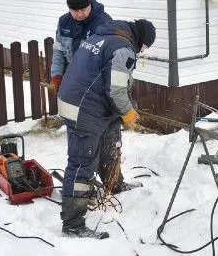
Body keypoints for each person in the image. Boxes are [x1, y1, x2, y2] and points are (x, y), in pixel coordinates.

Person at [57, 19, 156, 238]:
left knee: (111, 140)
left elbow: (110, 82)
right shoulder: (123, 48)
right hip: (83, 109)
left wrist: (123, 111)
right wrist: (129, 114)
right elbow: (116, 91)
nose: (143, 51)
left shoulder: (102, 37)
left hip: (81, 100)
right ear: (141, 41)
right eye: (145, 47)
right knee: (82, 163)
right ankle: (73, 224)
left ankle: (115, 183)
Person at [49, 0, 113, 93]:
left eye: (83, 10)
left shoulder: (104, 23)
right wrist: (57, 75)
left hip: (93, 83)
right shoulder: (64, 22)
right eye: (74, 11)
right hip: (69, 79)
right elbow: (59, 52)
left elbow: (108, 59)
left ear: (89, 5)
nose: (79, 14)